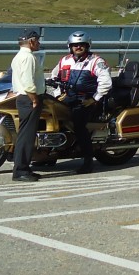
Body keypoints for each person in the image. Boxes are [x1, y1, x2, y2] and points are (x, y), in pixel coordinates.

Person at [50, 31, 112, 173]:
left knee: (78, 124)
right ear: (70, 46)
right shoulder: (65, 60)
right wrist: (58, 94)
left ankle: (88, 161)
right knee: (52, 116)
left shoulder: (96, 61)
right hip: (69, 98)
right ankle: (49, 155)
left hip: (87, 100)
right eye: (75, 45)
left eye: (81, 45)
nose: (78, 47)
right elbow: (54, 77)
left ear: (87, 45)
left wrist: (94, 99)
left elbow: (106, 82)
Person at [11, 28, 46, 182]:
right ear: (31, 41)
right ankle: (21, 170)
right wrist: (34, 99)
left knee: (26, 134)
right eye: (37, 41)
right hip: (28, 98)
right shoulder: (28, 57)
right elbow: (27, 81)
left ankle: (24, 167)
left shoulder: (18, 56)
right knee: (26, 136)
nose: (38, 43)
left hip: (23, 97)